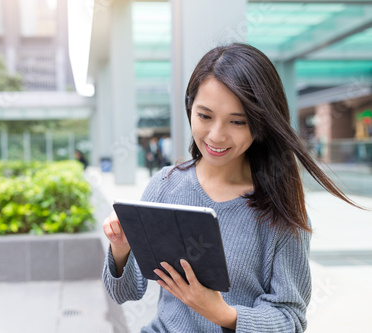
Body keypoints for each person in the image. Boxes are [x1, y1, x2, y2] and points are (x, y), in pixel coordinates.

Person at [102, 43, 362, 332]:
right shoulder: (166, 185)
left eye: (237, 121)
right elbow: (124, 293)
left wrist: (223, 314)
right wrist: (121, 249)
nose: (216, 135)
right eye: (204, 116)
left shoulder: (280, 210)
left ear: (261, 123)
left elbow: (290, 320)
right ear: (190, 107)